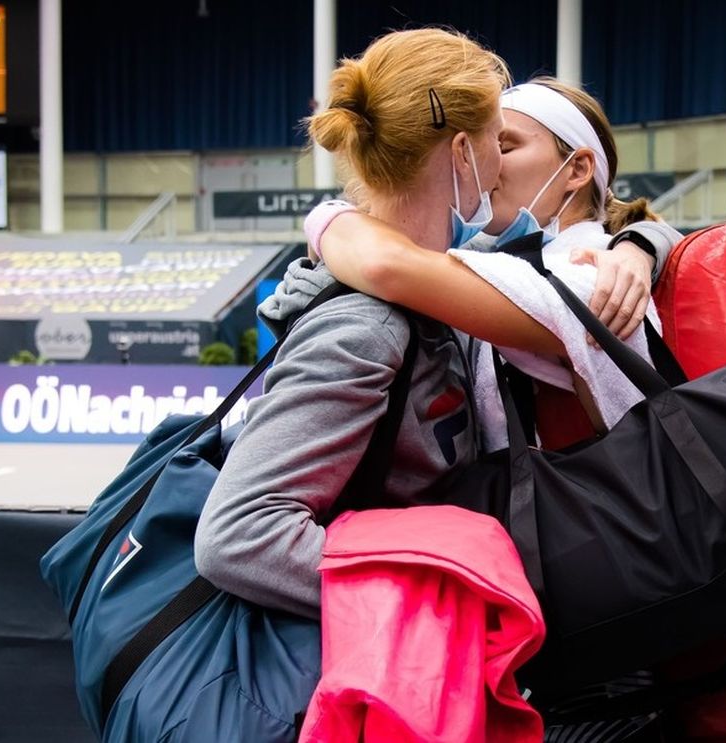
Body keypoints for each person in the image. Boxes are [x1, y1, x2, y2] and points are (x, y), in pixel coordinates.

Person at [193, 28, 544, 618]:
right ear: (461, 152)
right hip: (349, 689)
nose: (499, 168)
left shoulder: (434, 287)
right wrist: (438, 605)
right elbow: (238, 537)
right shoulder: (366, 329)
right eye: (496, 141)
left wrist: (642, 243)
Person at [309, 77, 683, 449]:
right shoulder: (516, 259)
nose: (484, 162)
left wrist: (326, 217)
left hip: (596, 503)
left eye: (504, 145)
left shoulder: (590, 274)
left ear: (577, 169)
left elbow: (385, 264)